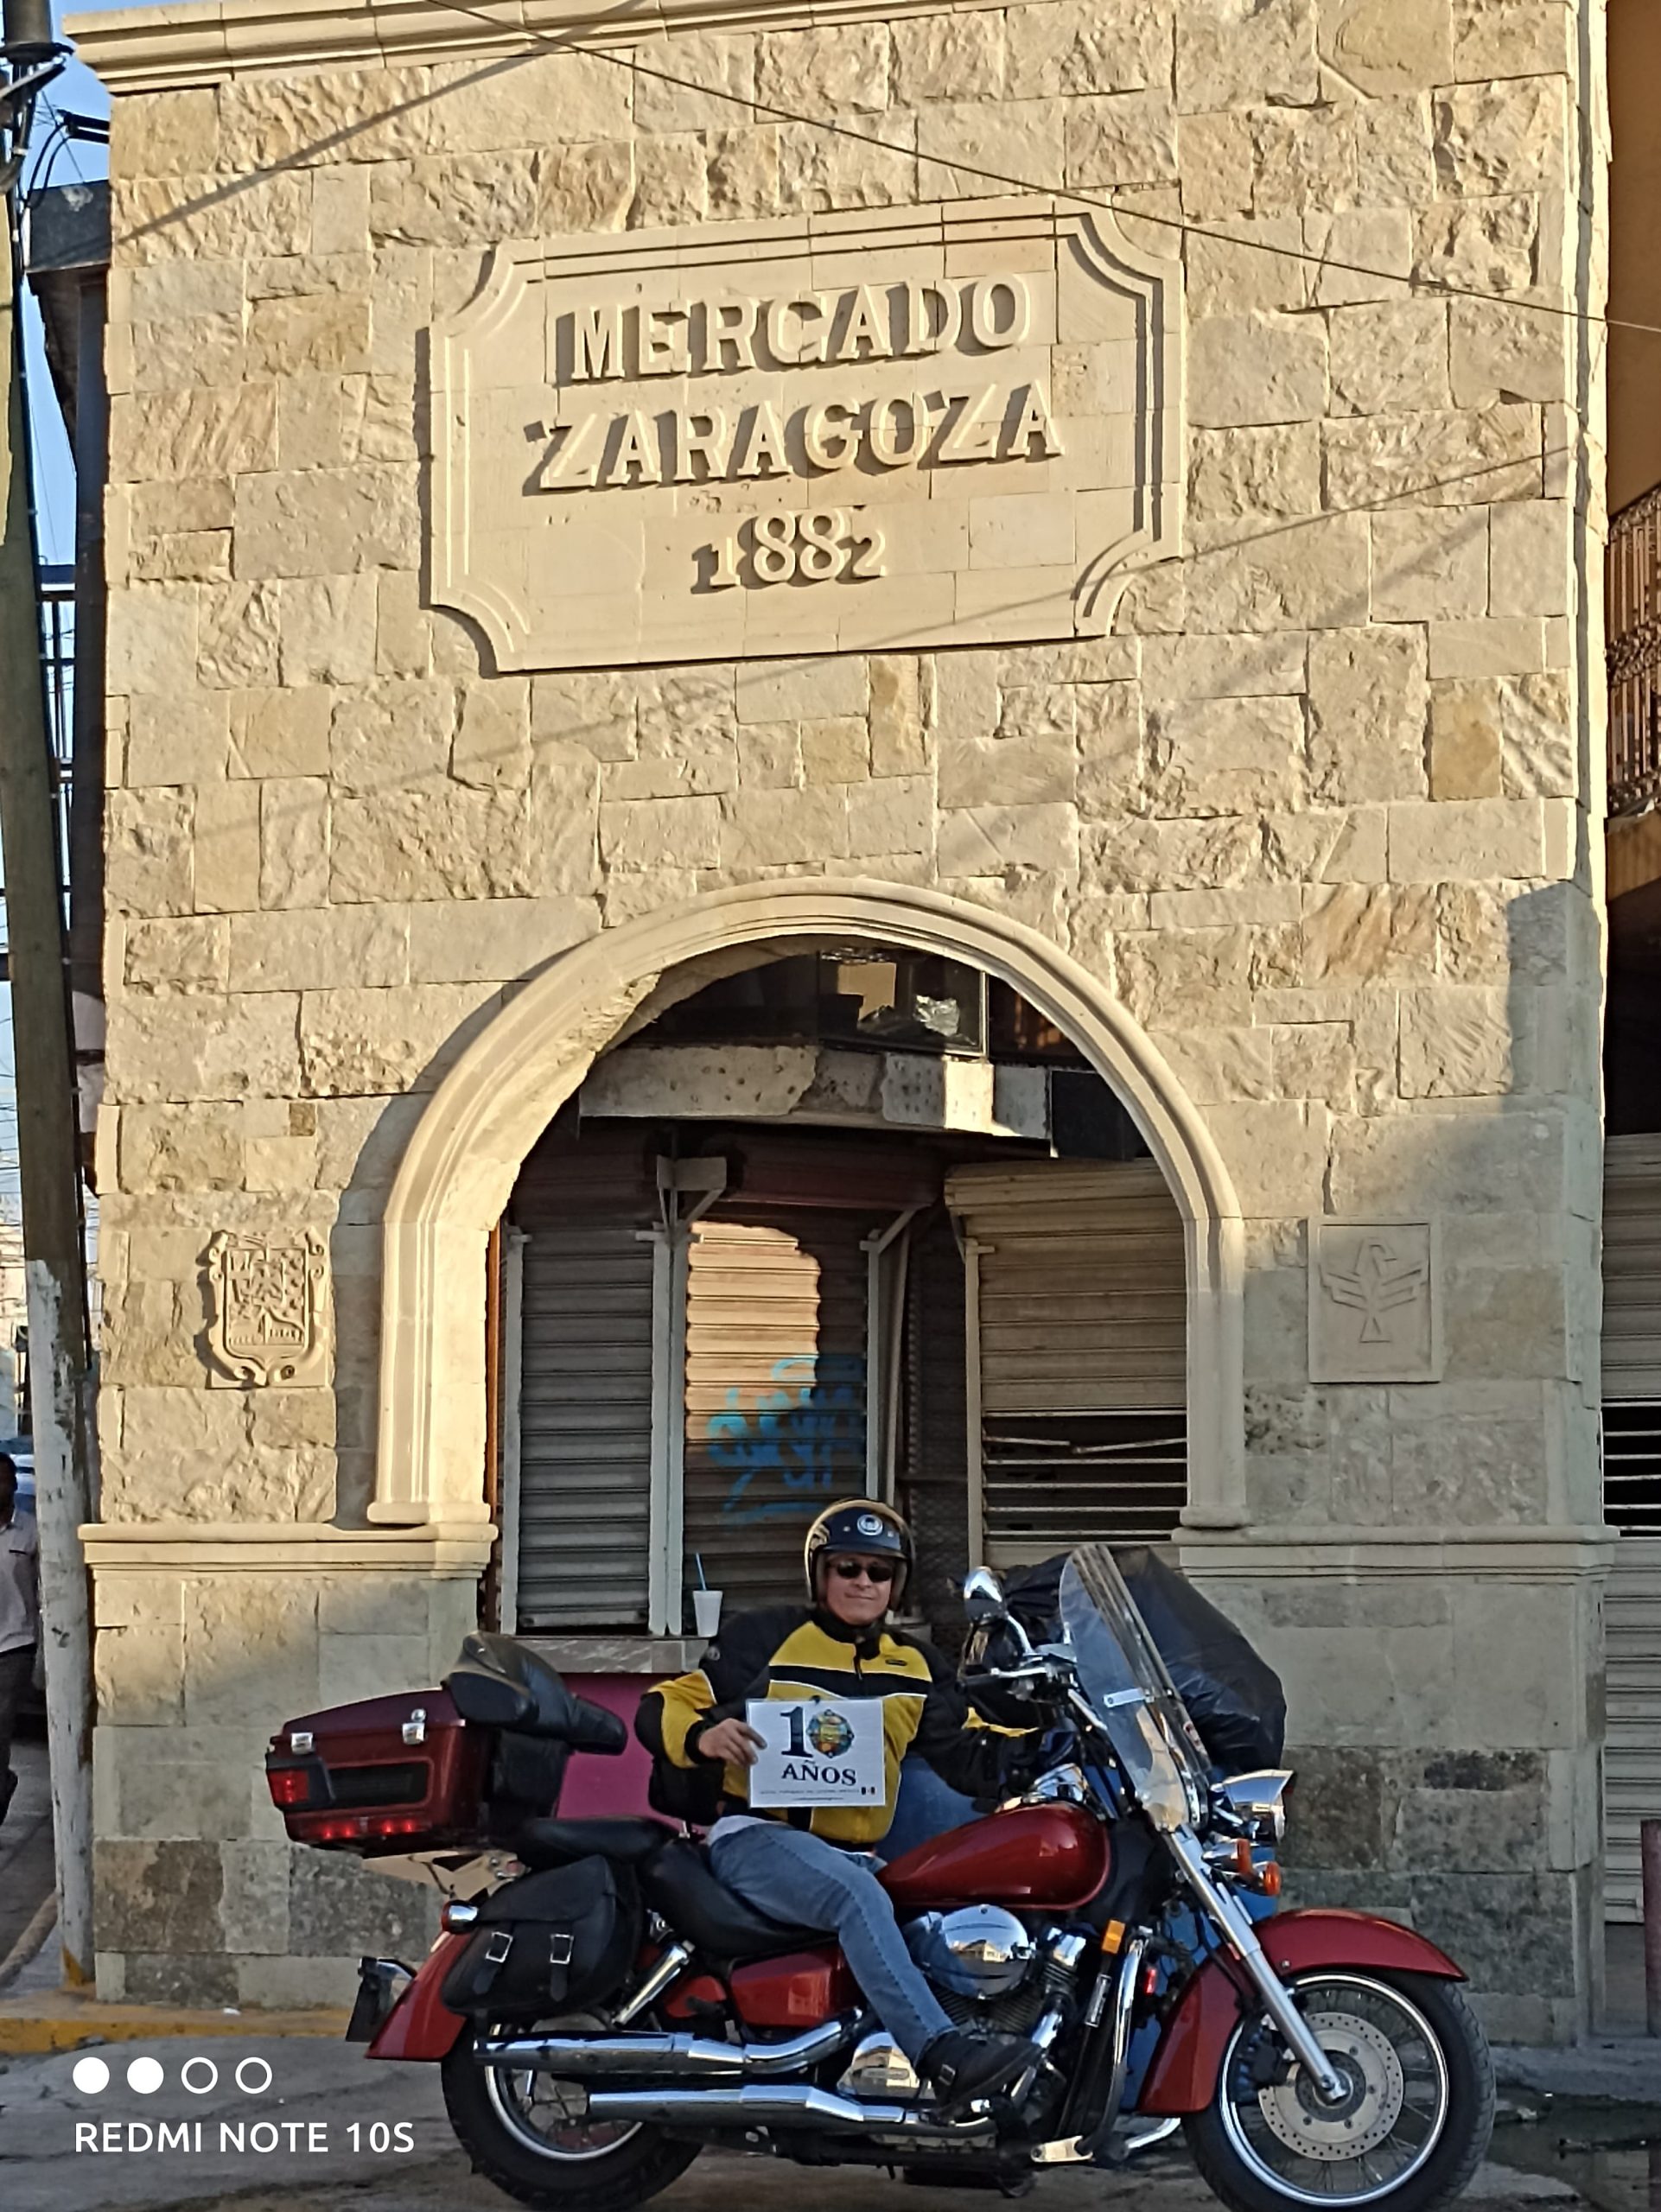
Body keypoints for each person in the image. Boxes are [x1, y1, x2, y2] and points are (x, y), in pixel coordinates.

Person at [637, 1499, 1034, 2111]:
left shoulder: (916, 1665)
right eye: (847, 1567)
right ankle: (944, 2057)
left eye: (879, 1571)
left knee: (935, 1914)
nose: (863, 1582)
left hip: (851, 1854)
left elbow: (969, 1749)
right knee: (860, 1896)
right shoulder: (766, 1637)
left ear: (896, 1584)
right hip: (756, 1837)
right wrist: (702, 1738)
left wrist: (1056, 1740)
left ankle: (963, 2074)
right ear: (819, 1574)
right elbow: (665, 1702)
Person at [0, 1456, 39, 1831]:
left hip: (15, 1645)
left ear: (12, 1485)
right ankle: (5, 1782)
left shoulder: (30, 1533)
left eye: (2, 1480)